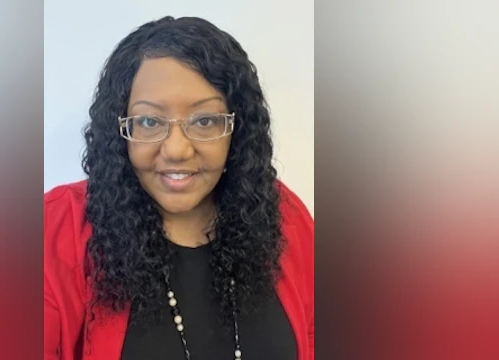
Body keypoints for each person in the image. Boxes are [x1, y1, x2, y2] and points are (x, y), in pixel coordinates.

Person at [44, 16, 314, 360]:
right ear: (119, 129)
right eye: (149, 121)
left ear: (237, 129)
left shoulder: (282, 214)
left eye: (204, 121)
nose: (176, 150)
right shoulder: (54, 229)